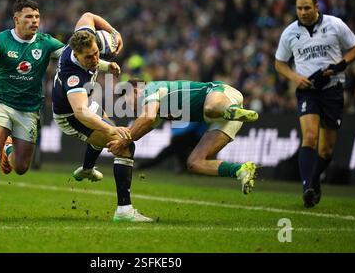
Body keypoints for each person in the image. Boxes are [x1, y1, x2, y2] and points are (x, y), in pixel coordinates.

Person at [0, 0, 65, 220]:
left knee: (20, 167)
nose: (34, 21)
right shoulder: (1, 40)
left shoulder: (46, 42)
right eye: (29, 17)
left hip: (29, 109)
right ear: (16, 19)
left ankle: (9, 149)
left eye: (37, 17)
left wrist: (105, 64)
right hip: (1, 102)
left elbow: (75, 57)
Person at [52, 13, 153, 222]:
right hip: (70, 115)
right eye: (88, 58)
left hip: (85, 103)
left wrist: (114, 34)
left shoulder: (84, 36)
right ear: (76, 55)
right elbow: (81, 113)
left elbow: (88, 16)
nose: (95, 59)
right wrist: (111, 131)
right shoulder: (73, 75)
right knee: (123, 143)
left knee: (110, 129)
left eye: (97, 53)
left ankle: (87, 169)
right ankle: (124, 211)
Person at [274, 0, 355, 208]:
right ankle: (307, 187)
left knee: (326, 151)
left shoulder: (335, 24)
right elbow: (279, 63)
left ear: (316, 7)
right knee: (310, 137)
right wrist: (294, 77)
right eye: (299, 8)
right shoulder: (289, 33)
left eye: (307, 8)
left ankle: (313, 180)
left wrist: (341, 65)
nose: (302, 12)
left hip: (332, 90)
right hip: (308, 91)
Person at [108, 79, 259, 194]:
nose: (127, 105)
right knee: (195, 163)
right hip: (222, 120)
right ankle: (242, 170)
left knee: (210, 108)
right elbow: (140, 130)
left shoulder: (149, 89)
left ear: (135, 90)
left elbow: (147, 119)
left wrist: (122, 142)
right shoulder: (157, 108)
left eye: (125, 99)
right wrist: (121, 141)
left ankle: (230, 109)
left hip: (221, 93)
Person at [135, 122, 207, 173]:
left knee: (178, 155)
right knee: (169, 155)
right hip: (184, 138)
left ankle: (140, 166)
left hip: (186, 137)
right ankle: (140, 166)